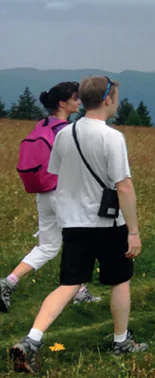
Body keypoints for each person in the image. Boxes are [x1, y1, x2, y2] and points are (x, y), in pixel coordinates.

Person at [9, 76, 148, 374]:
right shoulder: (112, 137)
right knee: (119, 281)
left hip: (73, 223)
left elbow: (57, 174)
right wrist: (133, 232)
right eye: (117, 96)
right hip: (109, 224)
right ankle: (121, 341)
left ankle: (32, 340)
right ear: (107, 99)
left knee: (69, 284)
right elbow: (124, 187)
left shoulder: (65, 134)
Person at [0, 82, 102, 313]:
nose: (79, 102)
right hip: (64, 194)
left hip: (44, 194)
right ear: (62, 103)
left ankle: (8, 282)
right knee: (80, 243)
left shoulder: (42, 126)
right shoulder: (67, 131)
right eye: (75, 99)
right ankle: (79, 291)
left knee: (48, 246)